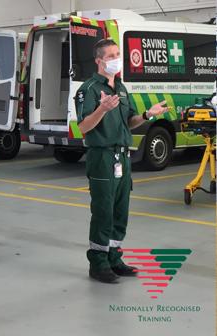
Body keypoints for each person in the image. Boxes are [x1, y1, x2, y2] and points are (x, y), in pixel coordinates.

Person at [75, 39, 169, 284]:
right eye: (110, 56)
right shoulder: (89, 89)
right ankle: (98, 262)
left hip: (122, 156)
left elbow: (129, 121)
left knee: (120, 211)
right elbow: (84, 126)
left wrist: (148, 114)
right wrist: (101, 110)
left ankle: (114, 257)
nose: (116, 59)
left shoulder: (122, 88)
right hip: (102, 156)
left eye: (118, 54)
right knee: (103, 211)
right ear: (98, 60)